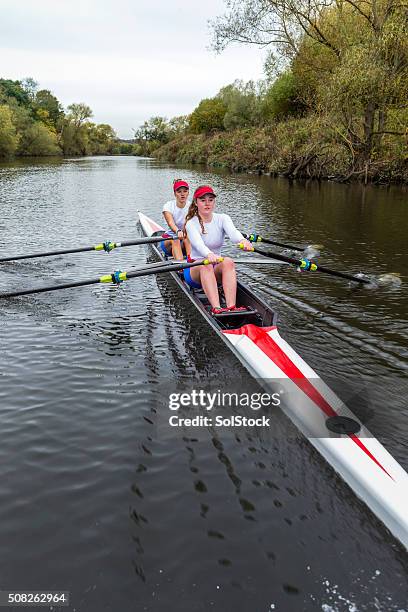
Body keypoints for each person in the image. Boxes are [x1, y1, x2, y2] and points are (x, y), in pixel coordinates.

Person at [184, 185, 253, 315]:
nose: (207, 203)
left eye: (210, 199)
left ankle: (231, 307)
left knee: (228, 261)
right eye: (203, 200)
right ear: (196, 202)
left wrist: (242, 241)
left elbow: (234, 234)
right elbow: (199, 245)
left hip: (214, 264)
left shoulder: (223, 218)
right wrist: (208, 254)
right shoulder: (191, 223)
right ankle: (217, 308)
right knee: (207, 265)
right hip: (195, 269)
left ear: (214, 202)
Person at [161, 179, 191, 260]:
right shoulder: (168, 206)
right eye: (179, 192)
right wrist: (178, 231)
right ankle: (181, 267)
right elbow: (171, 223)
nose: (182, 194)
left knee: (188, 239)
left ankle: (191, 264)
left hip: (185, 239)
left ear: (188, 193)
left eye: (185, 191)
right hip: (169, 240)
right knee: (176, 240)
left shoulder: (192, 207)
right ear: (175, 193)